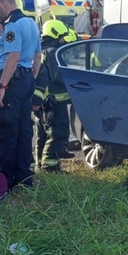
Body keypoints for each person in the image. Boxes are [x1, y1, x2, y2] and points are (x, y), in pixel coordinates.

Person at [0, 0, 42, 189]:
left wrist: (2, 86)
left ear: (3, 3)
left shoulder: (12, 26)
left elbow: (13, 56)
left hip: (12, 80)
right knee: (24, 129)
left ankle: (6, 178)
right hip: (26, 78)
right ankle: (25, 176)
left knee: (7, 130)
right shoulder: (31, 24)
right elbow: (38, 56)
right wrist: (30, 78)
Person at [34, 20, 75, 171]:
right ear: (57, 35)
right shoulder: (52, 52)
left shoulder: (39, 50)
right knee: (57, 133)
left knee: (42, 134)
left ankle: (40, 163)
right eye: (63, 37)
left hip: (41, 101)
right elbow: (59, 76)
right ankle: (50, 167)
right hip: (54, 102)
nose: (63, 40)